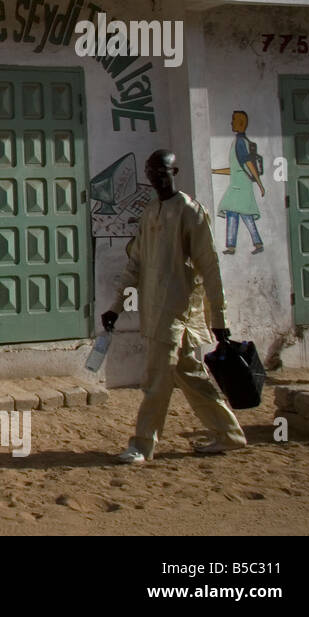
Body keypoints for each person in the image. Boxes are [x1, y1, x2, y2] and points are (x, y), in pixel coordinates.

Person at [101, 149, 248, 464]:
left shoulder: (190, 212)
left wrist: (218, 316)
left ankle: (142, 444)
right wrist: (116, 306)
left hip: (178, 313)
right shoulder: (150, 212)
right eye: (151, 171)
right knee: (190, 375)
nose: (157, 176)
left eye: (162, 170)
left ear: (174, 171)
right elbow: (135, 264)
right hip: (154, 312)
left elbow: (210, 267)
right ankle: (229, 434)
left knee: (156, 380)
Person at [211, 110, 264, 254]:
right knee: (234, 213)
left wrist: (259, 183)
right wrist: (215, 171)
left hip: (241, 186)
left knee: (242, 213)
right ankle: (234, 246)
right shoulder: (238, 141)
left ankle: (254, 244)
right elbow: (235, 168)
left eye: (234, 120)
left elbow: (249, 164)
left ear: (240, 123)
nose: (231, 122)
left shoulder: (240, 142)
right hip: (238, 184)